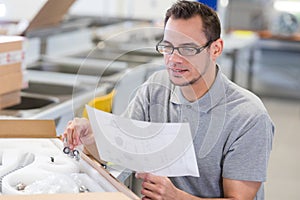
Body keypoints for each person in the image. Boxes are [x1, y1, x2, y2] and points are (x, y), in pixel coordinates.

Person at [63, 1, 274, 199]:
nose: (173, 59)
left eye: (188, 49)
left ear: (215, 49)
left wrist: (175, 196)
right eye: (168, 47)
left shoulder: (248, 116)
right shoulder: (156, 89)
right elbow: (120, 153)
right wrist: (91, 136)